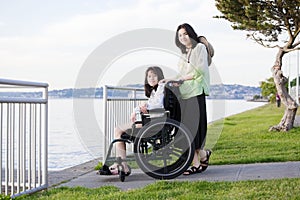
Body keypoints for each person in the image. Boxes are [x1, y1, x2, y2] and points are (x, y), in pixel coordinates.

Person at [161, 23, 212, 175]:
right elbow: (180, 74)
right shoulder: (184, 54)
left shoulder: (199, 48)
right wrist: (169, 80)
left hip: (196, 91)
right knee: (188, 130)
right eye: (180, 35)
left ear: (191, 34)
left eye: (184, 34)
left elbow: (200, 70)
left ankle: (196, 164)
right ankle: (202, 156)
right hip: (185, 93)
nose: (182, 37)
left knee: (193, 129)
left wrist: (182, 79)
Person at [104, 66, 166, 175]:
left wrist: (140, 108)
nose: (151, 78)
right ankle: (121, 164)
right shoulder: (155, 90)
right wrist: (141, 107)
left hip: (153, 122)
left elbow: (157, 104)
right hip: (151, 120)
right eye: (149, 76)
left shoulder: (161, 87)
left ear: (159, 76)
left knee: (118, 130)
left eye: (154, 76)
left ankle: (122, 164)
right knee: (119, 131)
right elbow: (153, 103)